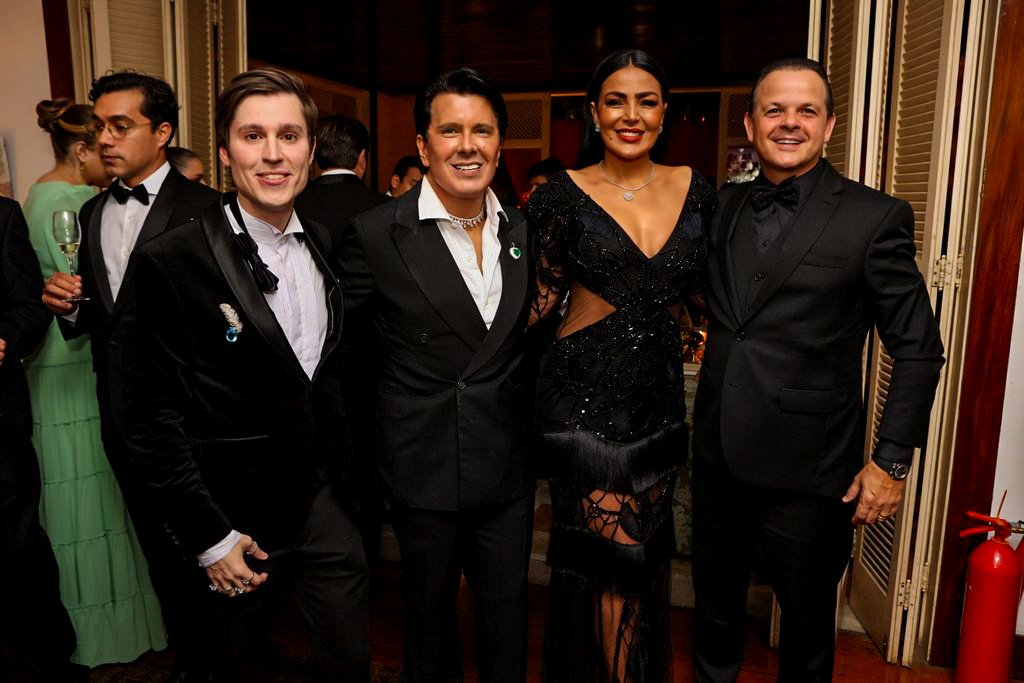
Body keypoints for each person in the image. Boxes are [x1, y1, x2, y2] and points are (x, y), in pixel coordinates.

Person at [691, 57, 944, 682]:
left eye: (806, 110)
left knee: (806, 638)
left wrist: (890, 463)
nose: (789, 123)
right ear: (750, 124)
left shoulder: (874, 216)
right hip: (718, 460)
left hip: (812, 472)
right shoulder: (720, 207)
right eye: (774, 109)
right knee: (713, 623)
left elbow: (918, 348)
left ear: (829, 126)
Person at [117, 67, 369, 681]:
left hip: (325, 508)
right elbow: (145, 418)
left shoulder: (325, 243)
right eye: (254, 136)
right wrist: (209, 536)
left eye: (289, 136)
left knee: (349, 658)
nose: (273, 154)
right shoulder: (170, 260)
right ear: (226, 152)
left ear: (311, 150)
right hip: (232, 520)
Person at [340, 67, 535, 683]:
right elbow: (342, 354)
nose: (468, 146)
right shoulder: (376, 233)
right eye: (451, 131)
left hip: (506, 463)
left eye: (483, 130)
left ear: (500, 143)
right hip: (423, 465)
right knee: (428, 622)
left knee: (507, 618)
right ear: (423, 147)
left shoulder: (524, 230)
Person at [527, 48, 716, 683]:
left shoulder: (699, 191)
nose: (631, 115)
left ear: (665, 112)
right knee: (617, 562)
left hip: (658, 404)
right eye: (615, 101)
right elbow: (536, 303)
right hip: (580, 399)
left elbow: (711, 298)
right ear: (594, 112)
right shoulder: (560, 195)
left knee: (642, 562)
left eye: (646, 101)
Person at [40, 70, 220, 680]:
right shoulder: (92, 212)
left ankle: (224, 660)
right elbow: (108, 317)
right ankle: (191, 662)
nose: (106, 139)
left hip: (196, 421)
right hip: (123, 420)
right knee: (159, 554)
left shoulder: (210, 210)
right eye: (100, 127)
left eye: (122, 126)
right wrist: (69, 305)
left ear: (162, 132)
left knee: (214, 552)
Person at [23, 98, 166, 667]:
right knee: (98, 492)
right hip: (80, 355)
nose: (110, 154)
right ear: (81, 149)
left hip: (47, 360)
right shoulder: (79, 204)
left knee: (66, 494)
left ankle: (71, 627)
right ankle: (111, 627)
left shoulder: (34, 195)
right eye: (101, 142)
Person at [0, 197, 88, 682]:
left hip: (0, 425)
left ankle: (49, 663)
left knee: (18, 544)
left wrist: (5, 339)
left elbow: (29, 308)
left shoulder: (3, 216)